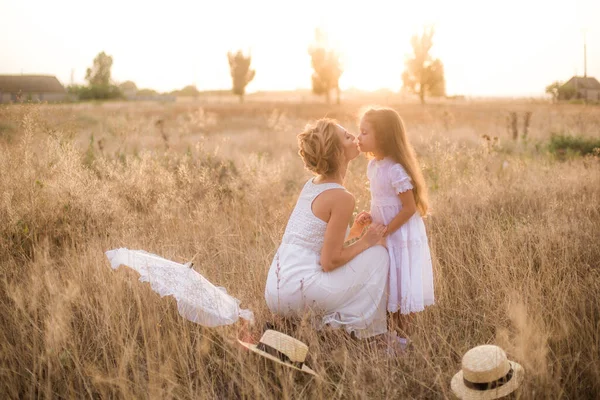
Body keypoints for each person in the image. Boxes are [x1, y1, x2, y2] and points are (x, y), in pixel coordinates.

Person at [264, 118, 390, 339]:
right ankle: (356, 329)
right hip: (299, 292)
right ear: (337, 153)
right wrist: (366, 242)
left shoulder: (311, 186)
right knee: (379, 255)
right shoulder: (342, 197)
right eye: (347, 136)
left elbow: (317, 242)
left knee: (366, 253)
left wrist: (356, 232)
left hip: (275, 292)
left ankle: (316, 324)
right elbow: (329, 261)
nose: (354, 137)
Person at [356, 107, 435, 340]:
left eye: (364, 132)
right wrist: (371, 218)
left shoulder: (395, 169)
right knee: (387, 283)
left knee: (402, 284)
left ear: (382, 137)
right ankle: (389, 334)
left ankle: (402, 338)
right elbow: (382, 202)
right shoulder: (373, 166)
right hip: (383, 233)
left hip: (400, 235)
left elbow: (409, 208)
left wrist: (387, 230)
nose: (358, 137)